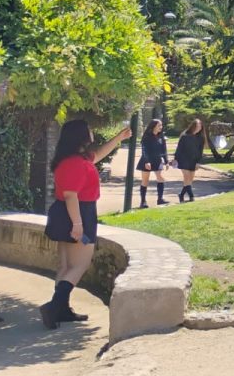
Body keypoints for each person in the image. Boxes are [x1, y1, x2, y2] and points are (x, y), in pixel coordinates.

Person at [40, 120, 132, 329]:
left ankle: (61, 309)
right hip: (78, 213)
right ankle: (53, 308)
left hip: (66, 214)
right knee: (79, 265)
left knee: (65, 266)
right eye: (89, 129)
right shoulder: (76, 163)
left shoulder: (72, 159)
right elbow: (71, 196)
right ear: (80, 136)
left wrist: (119, 138)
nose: (92, 131)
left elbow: (98, 155)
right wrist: (78, 224)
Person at [173, 117, 207, 202]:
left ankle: (181, 195)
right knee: (187, 177)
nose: (199, 128)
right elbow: (179, 149)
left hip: (194, 161)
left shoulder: (201, 138)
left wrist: (198, 162)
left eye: (200, 126)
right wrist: (175, 159)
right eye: (197, 126)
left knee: (189, 180)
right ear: (193, 126)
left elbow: (200, 152)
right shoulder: (185, 136)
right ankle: (191, 197)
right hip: (183, 160)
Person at [136, 118, 169, 208]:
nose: (161, 127)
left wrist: (166, 161)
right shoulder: (147, 137)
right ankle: (143, 202)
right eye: (159, 125)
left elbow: (164, 150)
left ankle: (160, 199)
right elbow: (144, 150)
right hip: (146, 160)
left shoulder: (161, 137)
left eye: (161, 125)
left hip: (157, 160)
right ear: (153, 126)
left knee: (160, 178)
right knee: (145, 181)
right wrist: (147, 161)